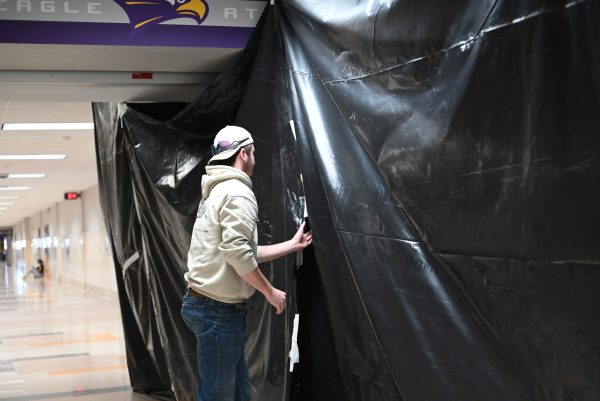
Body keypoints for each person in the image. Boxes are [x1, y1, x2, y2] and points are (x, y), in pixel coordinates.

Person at [181, 125, 312, 401]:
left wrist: (292, 245)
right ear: (244, 153)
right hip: (217, 312)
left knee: (241, 393)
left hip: (208, 306)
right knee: (218, 396)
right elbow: (239, 255)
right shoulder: (237, 192)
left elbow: (242, 252)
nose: (254, 159)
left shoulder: (216, 192)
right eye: (253, 153)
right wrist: (270, 292)